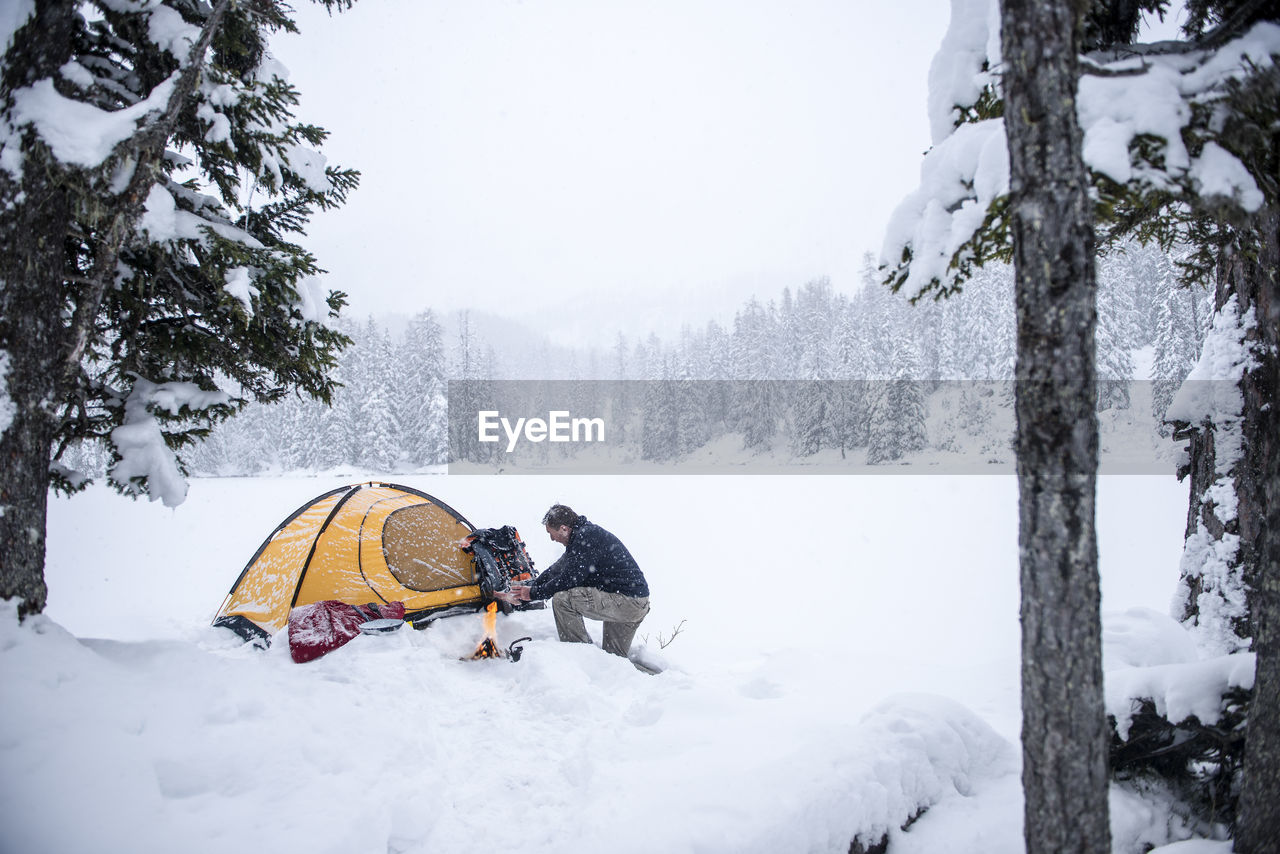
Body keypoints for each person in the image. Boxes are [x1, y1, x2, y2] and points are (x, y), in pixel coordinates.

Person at [495, 504, 650, 658]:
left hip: (626, 601)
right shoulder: (583, 537)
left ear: (563, 528)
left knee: (563, 600)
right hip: (634, 603)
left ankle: (580, 658)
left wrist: (534, 593)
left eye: (551, 533)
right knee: (614, 660)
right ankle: (655, 680)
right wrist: (529, 587)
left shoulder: (586, 537)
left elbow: (570, 580)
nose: (552, 539)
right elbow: (556, 570)